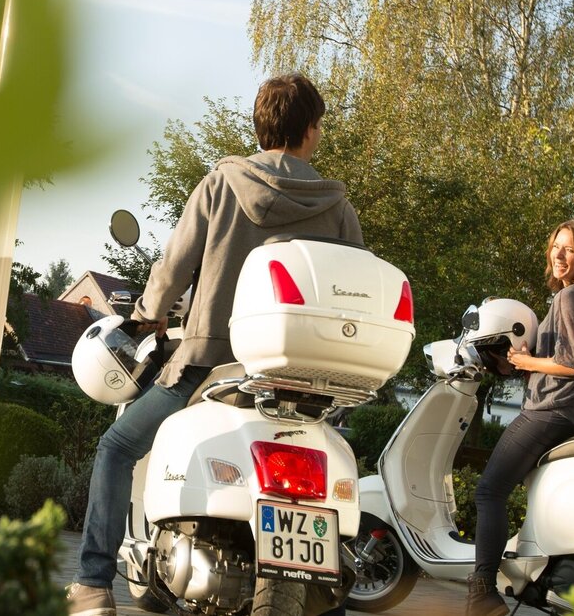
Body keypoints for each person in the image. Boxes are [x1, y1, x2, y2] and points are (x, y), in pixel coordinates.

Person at [66, 72, 364, 616]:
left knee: (116, 449)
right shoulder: (337, 207)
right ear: (311, 131)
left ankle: (90, 584)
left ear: (260, 125)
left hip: (211, 362)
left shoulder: (223, 184)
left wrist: (146, 317)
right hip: (304, 378)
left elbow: (175, 267)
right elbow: (352, 290)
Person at [466, 217, 574, 616]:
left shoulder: (569, 299)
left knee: (489, 491)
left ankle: (481, 592)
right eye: (556, 247)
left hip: (555, 411)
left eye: (570, 249)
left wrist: (525, 359)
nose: (559, 256)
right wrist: (517, 365)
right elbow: (564, 361)